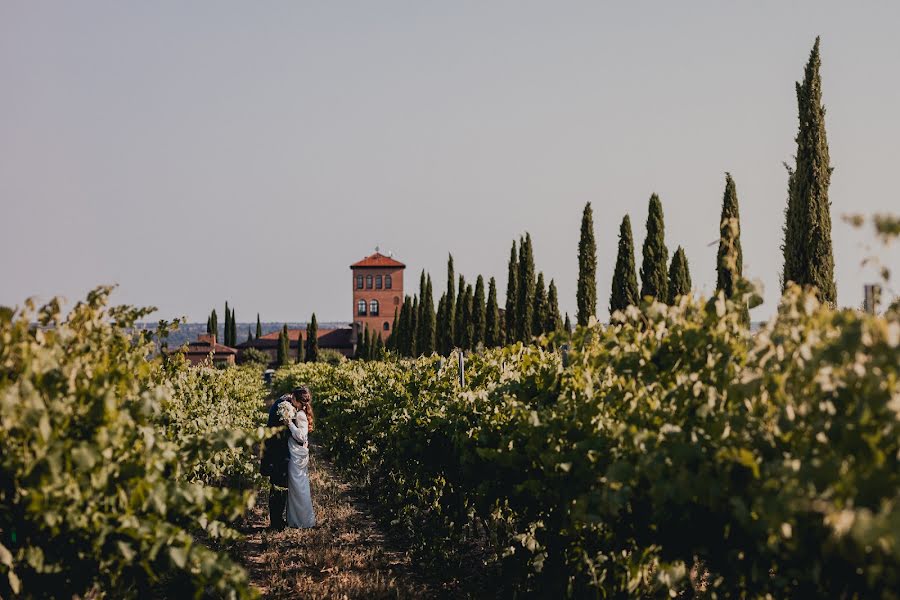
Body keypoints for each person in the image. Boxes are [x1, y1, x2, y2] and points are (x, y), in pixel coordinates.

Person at [260, 391, 293, 530]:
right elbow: (284, 430)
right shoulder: (284, 406)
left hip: (274, 450)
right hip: (277, 452)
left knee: (277, 485)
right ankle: (276, 523)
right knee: (279, 485)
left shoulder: (280, 403)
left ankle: (277, 520)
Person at [285, 386, 316, 528]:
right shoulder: (300, 412)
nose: (291, 399)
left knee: (298, 487)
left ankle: (302, 521)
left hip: (296, 454)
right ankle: (296, 520)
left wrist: (289, 424)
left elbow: (302, 436)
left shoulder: (300, 415)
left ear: (297, 400)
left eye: (293, 398)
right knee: (297, 487)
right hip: (297, 452)